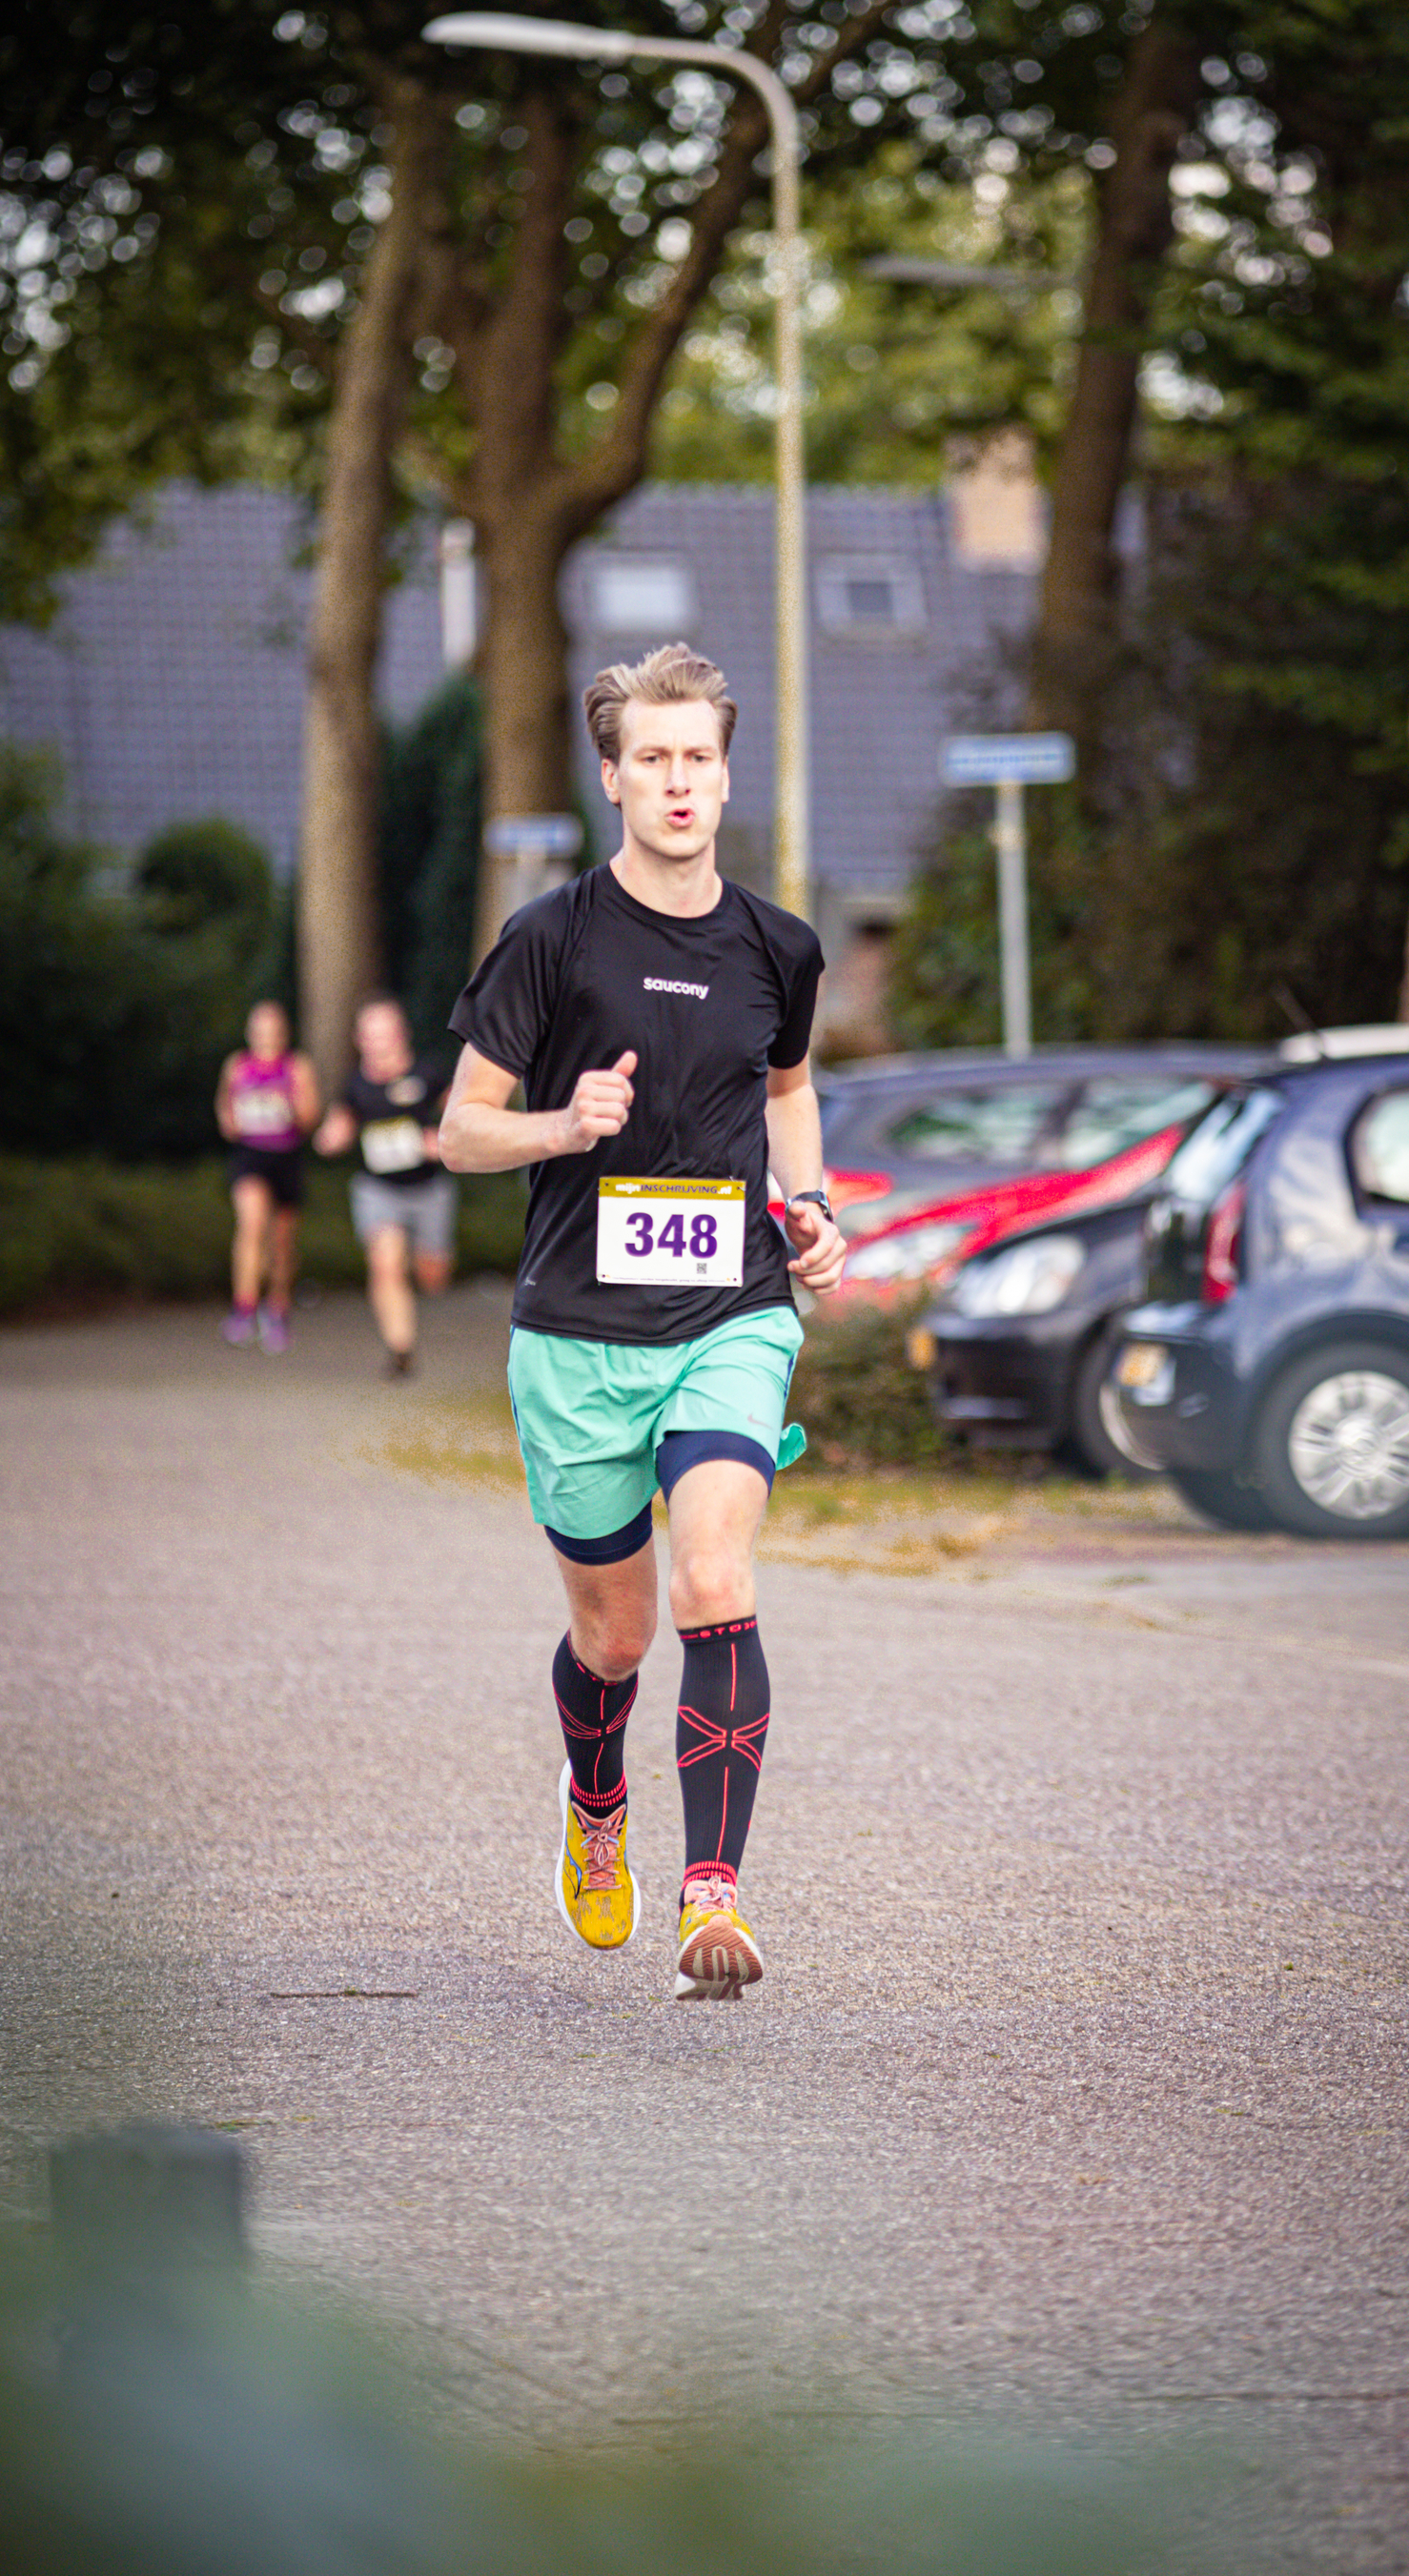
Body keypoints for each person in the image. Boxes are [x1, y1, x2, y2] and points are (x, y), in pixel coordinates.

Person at [440, 642, 846, 2004]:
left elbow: (788, 1090)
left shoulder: (780, 947)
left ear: (728, 777)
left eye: (700, 759)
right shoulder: (551, 941)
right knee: (614, 1638)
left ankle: (714, 1893)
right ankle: (596, 1795)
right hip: (575, 1331)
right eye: (652, 759)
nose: (679, 782)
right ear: (612, 776)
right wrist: (565, 1124)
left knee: (714, 1584)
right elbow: (457, 1130)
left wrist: (812, 1207)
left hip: (732, 1308)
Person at [312, 998, 457, 1376]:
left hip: (429, 1190)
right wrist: (328, 1138)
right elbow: (339, 1126)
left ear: (401, 1034)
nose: (380, 1043)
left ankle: (422, 1260)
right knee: (385, 1265)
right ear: (360, 1040)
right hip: (379, 1190)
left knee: (432, 1276)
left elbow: (469, 1114)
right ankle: (401, 1348)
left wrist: (440, 1142)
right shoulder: (355, 1086)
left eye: (386, 1034)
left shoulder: (429, 1074)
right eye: (372, 1035)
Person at [214, 1001, 320, 1351]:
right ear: (250, 1032)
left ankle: (277, 1310)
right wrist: (234, 1118)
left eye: (273, 1029)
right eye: (260, 1029)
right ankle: (243, 1308)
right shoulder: (237, 1065)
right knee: (251, 1224)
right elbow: (225, 1114)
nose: (267, 1036)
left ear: (283, 1033)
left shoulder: (297, 1066)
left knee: (281, 1243)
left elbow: (309, 1118)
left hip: (286, 1158)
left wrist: (285, 1106)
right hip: (250, 1158)